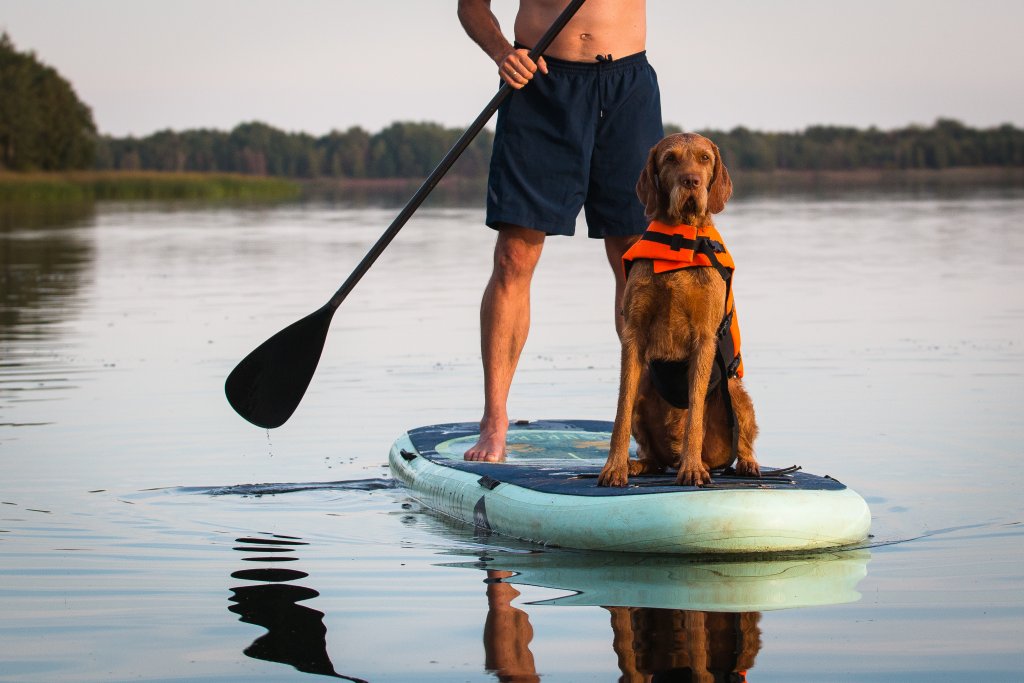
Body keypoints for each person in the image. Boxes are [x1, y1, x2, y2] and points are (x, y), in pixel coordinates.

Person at [457, 0, 663, 461]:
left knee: (636, 260)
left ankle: (647, 420)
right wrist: (500, 53)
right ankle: (494, 419)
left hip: (626, 88)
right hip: (540, 84)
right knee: (514, 256)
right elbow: (471, 5)